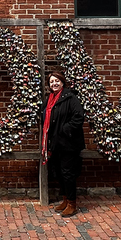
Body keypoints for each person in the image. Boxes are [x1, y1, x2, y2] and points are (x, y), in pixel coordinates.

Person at [42, 71, 85, 218]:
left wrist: (65, 129)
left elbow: (78, 116)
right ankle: (65, 200)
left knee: (68, 173)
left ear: (62, 82)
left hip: (68, 143)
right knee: (59, 173)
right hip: (55, 142)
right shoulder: (50, 99)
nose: (54, 84)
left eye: (57, 81)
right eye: (51, 82)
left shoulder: (70, 97)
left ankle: (72, 203)